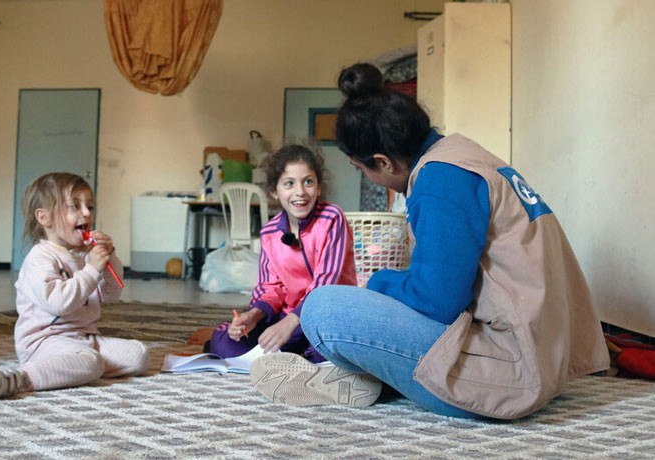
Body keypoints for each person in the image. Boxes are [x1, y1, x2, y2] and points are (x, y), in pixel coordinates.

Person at [251, 63, 610, 419]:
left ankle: (368, 374)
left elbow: (438, 302)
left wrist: (378, 284)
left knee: (323, 307)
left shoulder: (441, 180)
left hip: (510, 377)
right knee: (377, 301)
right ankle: (369, 377)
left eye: (362, 170)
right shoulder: (465, 155)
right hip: (547, 359)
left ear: (383, 162)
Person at [207, 145, 380, 404]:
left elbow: (326, 283)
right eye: (289, 183)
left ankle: (307, 365)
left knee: (332, 348)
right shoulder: (269, 232)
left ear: (318, 187)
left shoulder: (332, 218)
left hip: (325, 317)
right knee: (222, 342)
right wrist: (253, 316)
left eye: (308, 182)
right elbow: (269, 287)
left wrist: (290, 323)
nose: (300, 192)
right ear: (274, 191)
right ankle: (301, 365)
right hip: (286, 321)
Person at [0, 172, 150, 400]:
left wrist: (110, 259)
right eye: (74, 207)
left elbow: (111, 294)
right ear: (44, 218)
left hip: (84, 338)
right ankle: (19, 379)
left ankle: (72, 369)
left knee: (139, 355)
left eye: (89, 206)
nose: (87, 213)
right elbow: (59, 303)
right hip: (43, 343)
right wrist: (91, 270)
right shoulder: (39, 259)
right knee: (90, 362)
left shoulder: (83, 255)